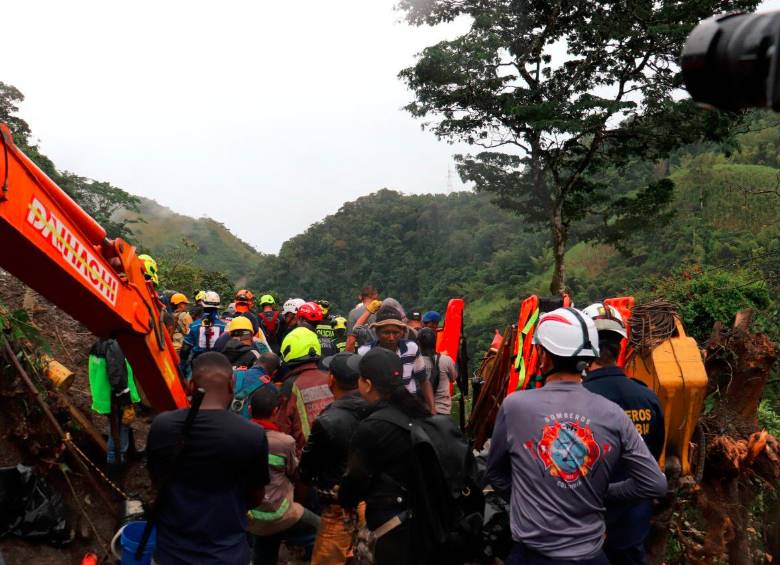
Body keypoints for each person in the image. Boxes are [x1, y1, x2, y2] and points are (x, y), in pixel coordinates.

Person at [486, 308, 667, 565]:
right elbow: (654, 483)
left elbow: (496, 473)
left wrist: (531, 499)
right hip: (592, 555)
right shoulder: (612, 413)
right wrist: (601, 492)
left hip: (532, 555)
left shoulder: (514, 406)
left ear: (544, 358)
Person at [147, 352, 269, 565]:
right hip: (227, 555)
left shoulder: (162, 425)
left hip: (171, 553)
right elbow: (255, 497)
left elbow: (156, 480)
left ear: (190, 386)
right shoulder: (252, 434)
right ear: (231, 384)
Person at [582, 303, 665, 565]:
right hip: (633, 521)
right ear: (619, 347)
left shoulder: (576, 400)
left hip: (587, 521)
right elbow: (654, 454)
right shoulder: (647, 397)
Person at [339, 347, 432, 565]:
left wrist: (345, 500)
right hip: (426, 520)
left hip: (391, 526)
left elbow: (354, 482)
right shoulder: (421, 413)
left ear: (367, 384)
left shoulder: (371, 427)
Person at [300, 352, 370, 564]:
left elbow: (307, 469)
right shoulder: (377, 408)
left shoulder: (327, 421)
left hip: (338, 509)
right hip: (372, 504)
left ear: (331, 379)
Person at [248, 386, 321, 565]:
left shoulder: (240, 435)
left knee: (264, 549)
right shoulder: (283, 442)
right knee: (320, 527)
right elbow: (295, 473)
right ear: (275, 411)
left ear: (250, 410)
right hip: (279, 511)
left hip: (250, 512)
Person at [357, 305, 433, 414]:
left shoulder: (411, 348)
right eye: (386, 333)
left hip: (409, 409)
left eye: (396, 332)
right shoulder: (364, 352)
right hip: (378, 411)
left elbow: (423, 381)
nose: (391, 338)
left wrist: (432, 409)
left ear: (402, 332)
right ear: (377, 332)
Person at [277, 326, 334, 452]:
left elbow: (283, 429)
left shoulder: (290, 385)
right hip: (333, 452)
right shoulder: (330, 378)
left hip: (304, 456)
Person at [88, 338, 140, 468]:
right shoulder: (113, 346)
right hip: (115, 399)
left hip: (103, 396)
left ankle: (129, 454)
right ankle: (115, 464)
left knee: (119, 426)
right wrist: (126, 402)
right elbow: (117, 377)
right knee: (120, 428)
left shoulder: (99, 345)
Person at [179, 291, 226, 378]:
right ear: (217, 307)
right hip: (218, 366)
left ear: (203, 306)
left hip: (198, 365)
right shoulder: (224, 327)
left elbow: (185, 349)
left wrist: (182, 367)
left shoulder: (194, 325)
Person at [417, 328, 458, 415]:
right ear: (435, 341)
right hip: (442, 410)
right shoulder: (446, 360)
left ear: (418, 343)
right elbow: (453, 378)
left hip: (421, 411)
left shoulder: (414, 361)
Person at [230, 352, 281, 420]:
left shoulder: (233, 374)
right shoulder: (271, 389)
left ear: (255, 362)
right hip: (247, 425)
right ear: (274, 372)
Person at [345, 285, 380, 352]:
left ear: (361, 297)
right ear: (375, 296)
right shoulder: (384, 310)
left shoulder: (354, 313)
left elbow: (351, 341)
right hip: (384, 353)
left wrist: (347, 357)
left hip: (365, 354)